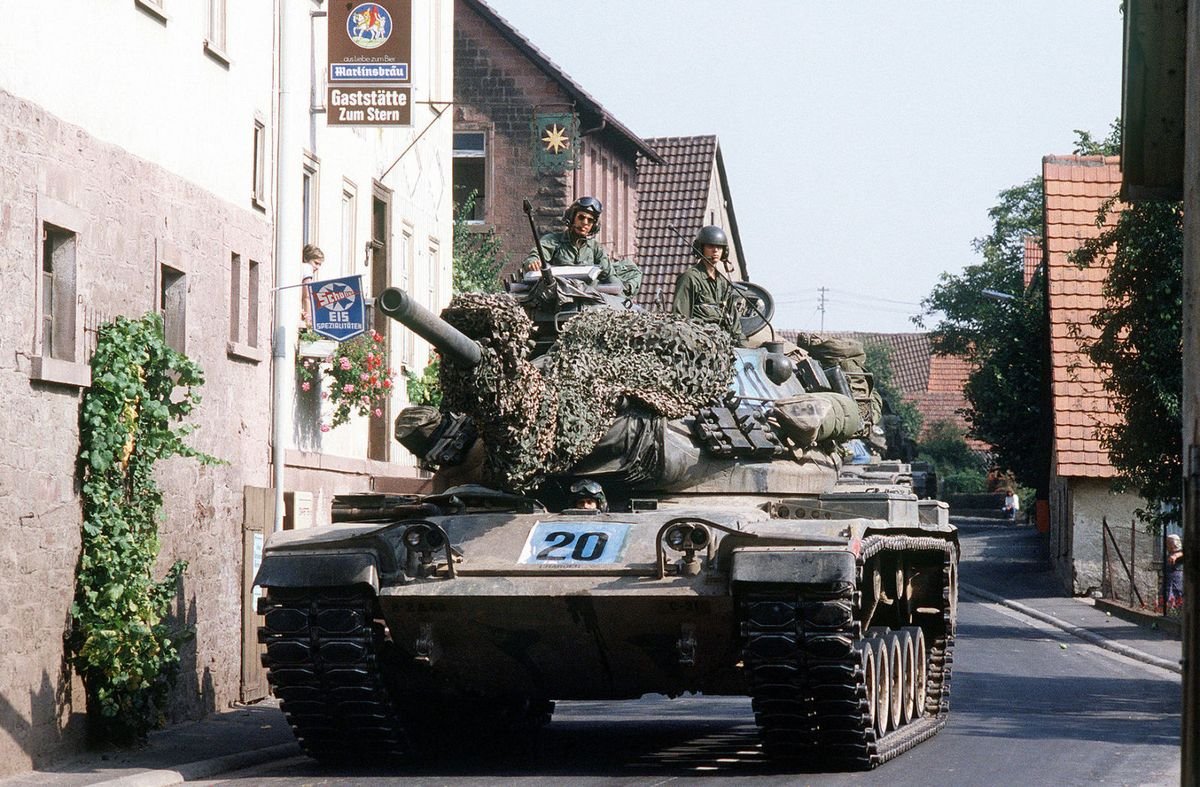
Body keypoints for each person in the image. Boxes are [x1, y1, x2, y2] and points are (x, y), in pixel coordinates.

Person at [523, 197, 642, 296]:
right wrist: (533, 262)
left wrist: (621, 297)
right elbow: (537, 255)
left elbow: (609, 276)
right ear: (572, 218)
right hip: (559, 295)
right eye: (581, 217)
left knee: (632, 270)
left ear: (594, 226)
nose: (585, 223)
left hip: (589, 298)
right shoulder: (554, 241)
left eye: (590, 220)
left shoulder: (595, 248)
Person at [671, 225, 746, 345]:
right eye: (710, 246)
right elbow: (680, 319)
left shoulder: (723, 283)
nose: (715, 250)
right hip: (698, 343)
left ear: (724, 251)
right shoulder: (690, 278)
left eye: (719, 247)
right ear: (701, 248)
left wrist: (743, 346)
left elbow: (735, 326)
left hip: (722, 343)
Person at [300, 244, 325, 327]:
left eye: (319, 265)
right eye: (316, 263)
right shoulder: (307, 268)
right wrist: (309, 322)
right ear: (306, 259)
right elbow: (307, 296)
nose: (317, 267)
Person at [1166, 533, 1184, 609]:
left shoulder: (1179, 553)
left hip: (1177, 579)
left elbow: (1182, 553)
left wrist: (1175, 556)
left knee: (1177, 594)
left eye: (1169, 542)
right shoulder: (1169, 554)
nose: (1167, 544)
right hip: (1169, 580)